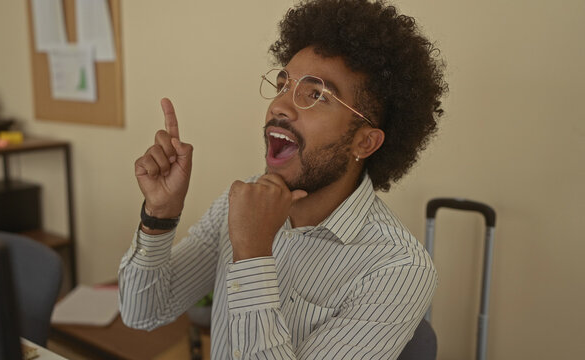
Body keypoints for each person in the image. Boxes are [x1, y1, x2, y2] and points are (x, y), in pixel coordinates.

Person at [119, 0, 447, 358]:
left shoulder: (398, 269)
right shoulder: (244, 201)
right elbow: (143, 313)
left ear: (364, 142)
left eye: (316, 95)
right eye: (283, 84)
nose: (279, 106)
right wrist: (160, 216)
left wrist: (252, 255)